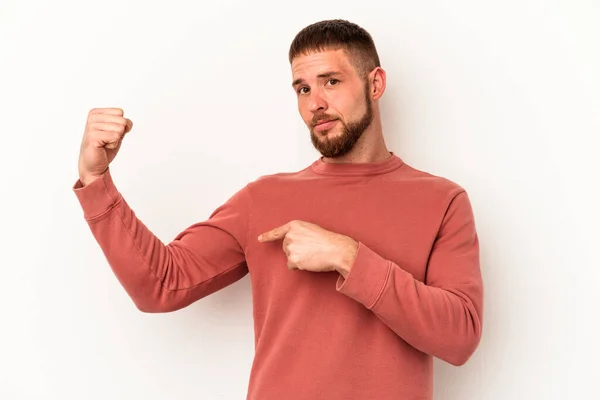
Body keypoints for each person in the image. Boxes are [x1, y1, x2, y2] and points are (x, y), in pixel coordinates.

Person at [73, 19, 483, 400]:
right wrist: (96, 182)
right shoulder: (264, 199)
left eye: (332, 81)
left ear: (375, 83)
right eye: (303, 89)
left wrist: (349, 257)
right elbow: (160, 284)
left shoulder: (441, 200)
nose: (315, 103)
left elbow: (460, 336)